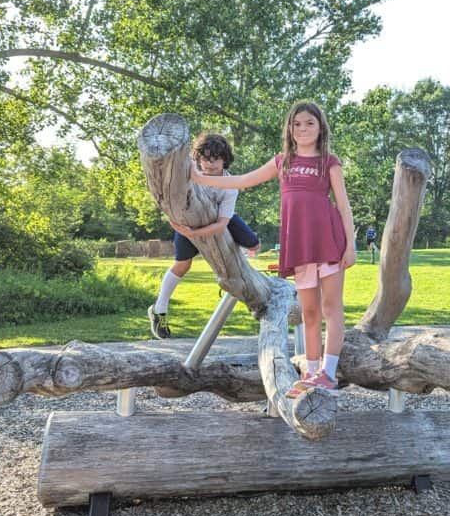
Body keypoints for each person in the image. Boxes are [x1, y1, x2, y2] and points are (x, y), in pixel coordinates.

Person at [191, 101, 355, 396]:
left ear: (320, 128)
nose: (303, 129)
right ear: (290, 130)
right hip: (301, 245)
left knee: (331, 307)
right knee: (309, 311)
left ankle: (328, 374)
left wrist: (351, 246)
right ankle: (312, 372)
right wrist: (199, 178)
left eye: (309, 123)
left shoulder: (329, 162)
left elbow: (343, 206)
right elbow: (242, 180)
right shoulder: (282, 161)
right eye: (297, 124)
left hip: (330, 241)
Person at [148, 133, 260, 339]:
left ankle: (248, 262)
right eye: (205, 158)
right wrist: (183, 228)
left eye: (215, 158)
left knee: (253, 243)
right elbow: (170, 192)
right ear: (198, 159)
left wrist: (196, 234)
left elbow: (222, 223)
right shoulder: (189, 172)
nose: (210, 164)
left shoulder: (230, 186)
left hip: (218, 221)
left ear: (224, 159)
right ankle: (159, 309)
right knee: (183, 264)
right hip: (189, 223)